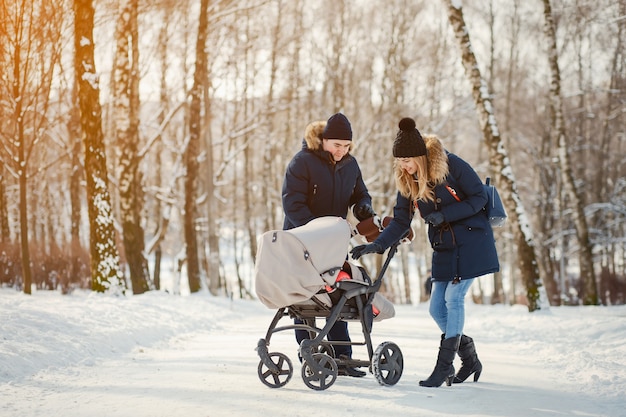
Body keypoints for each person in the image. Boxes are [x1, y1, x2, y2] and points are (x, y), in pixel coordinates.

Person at [351, 117, 499, 387]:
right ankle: (469, 357)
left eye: (408, 159)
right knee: (435, 308)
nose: (404, 166)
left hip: (472, 240)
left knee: (454, 299)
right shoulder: (408, 180)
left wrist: (445, 214)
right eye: (400, 161)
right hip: (444, 246)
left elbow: (479, 197)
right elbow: (400, 221)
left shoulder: (450, 164)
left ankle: (444, 367)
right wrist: (378, 245)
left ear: (420, 154)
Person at [282, 112, 376, 377]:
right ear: (323, 140)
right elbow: (292, 203)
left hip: (333, 243)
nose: (341, 151)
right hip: (302, 241)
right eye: (337, 145)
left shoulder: (350, 164)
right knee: (306, 299)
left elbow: (361, 193)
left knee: (337, 297)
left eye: (346, 146)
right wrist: (316, 231)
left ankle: (342, 356)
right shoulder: (302, 163)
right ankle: (310, 354)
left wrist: (363, 206)